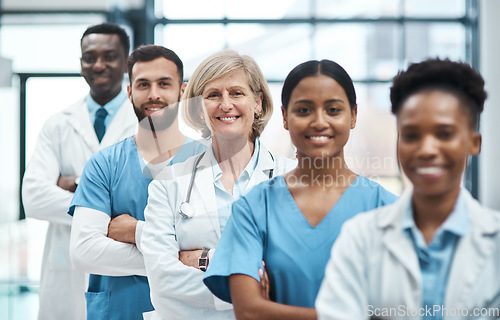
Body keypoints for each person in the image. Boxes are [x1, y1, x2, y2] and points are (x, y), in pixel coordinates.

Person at [203, 59, 397, 320]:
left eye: (333, 110)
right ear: (285, 117)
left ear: (353, 116)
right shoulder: (255, 208)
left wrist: (273, 311)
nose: (319, 122)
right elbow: (248, 311)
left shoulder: (387, 209)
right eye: (304, 110)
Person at [315, 58, 500, 320]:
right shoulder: (360, 239)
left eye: (444, 134)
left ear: (474, 142)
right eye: (411, 135)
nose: (426, 150)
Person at [140, 49, 296, 320]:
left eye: (237, 93)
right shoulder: (168, 183)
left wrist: (203, 259)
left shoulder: (292, 180)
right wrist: (250, 290)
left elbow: (296, 275)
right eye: (213, 95)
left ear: (258, 102)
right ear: (199, 109)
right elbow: (163, 283)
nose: (226, 104)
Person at [67, 45, 206, 320]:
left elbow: (219, 248)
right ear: (130, 91)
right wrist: (178, 258)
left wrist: (138, 233)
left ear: (182, 91)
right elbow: (83, 252)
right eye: (143, 84)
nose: (154, 94)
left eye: (164, 83)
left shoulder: (207, 162)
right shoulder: (104, 164)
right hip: (118, 312)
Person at [21, 23, 136, 320]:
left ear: (126, 62)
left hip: (124, 276)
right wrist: (106, 203)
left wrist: (77, 184)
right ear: (81, 62)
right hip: (66, 278)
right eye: (89, 57)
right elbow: (33, 198)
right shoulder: (57, 124)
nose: (98, 65)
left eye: (109, 56)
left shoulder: (143, 126)